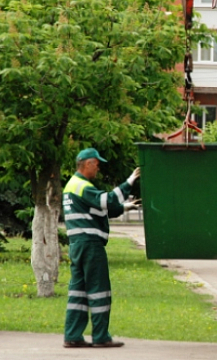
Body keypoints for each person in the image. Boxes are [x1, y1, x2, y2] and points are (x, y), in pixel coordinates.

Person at [62, 148, 141, 348]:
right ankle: (101, 337)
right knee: (99, 290)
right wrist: (129, 181)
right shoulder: (82, 186)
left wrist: (125, 208)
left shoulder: (71, 186)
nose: (98, 169)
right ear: (88, 163)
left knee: (78, 292)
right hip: (90, 245)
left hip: (77, 245)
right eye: (97, 164)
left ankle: (72, 335)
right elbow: (106, 200)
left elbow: (97, 209)